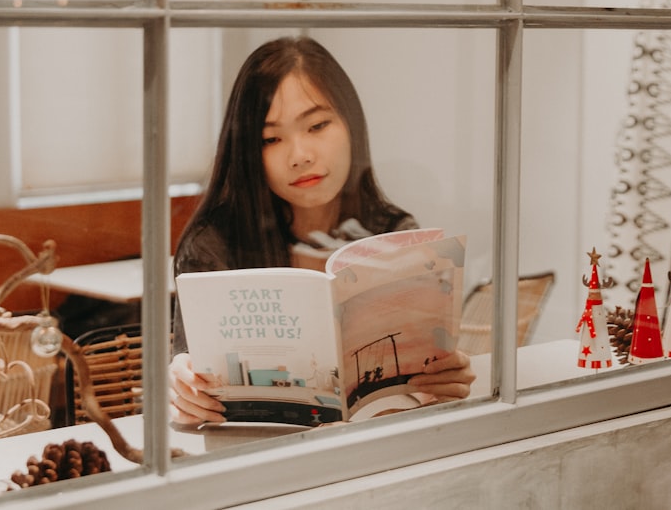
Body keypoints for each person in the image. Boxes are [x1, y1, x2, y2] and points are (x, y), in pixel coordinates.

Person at [169, 36, 475, 426]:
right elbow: (188, 376)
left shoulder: (394, 235)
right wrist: (183, 386)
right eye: (271, 138)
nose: (300, 155)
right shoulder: (213, 246)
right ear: (247, 151)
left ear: (351, 125)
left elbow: (423, 383)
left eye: (316, 125)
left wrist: (443, 382)